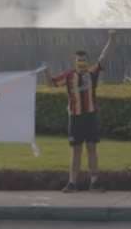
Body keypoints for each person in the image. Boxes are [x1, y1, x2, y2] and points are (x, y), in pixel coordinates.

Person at [43, 30, 115, 193]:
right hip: (75, 117)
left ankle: (94, 183)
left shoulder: (92, 72)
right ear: (74, 61)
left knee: (91, 148)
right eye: (79, 60)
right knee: (76, 151)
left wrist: (112, 39)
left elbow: (104, 58)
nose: (81, 63)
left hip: (90, 116)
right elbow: (51, 84)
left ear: (87, 61)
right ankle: (72, 183)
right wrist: (46, 71)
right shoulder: (69, 76)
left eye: (83, 60)